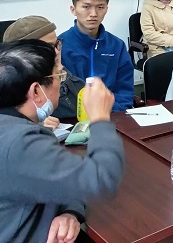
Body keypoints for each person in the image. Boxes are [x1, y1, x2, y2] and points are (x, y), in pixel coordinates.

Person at [0, 40, 124, 243]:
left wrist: (70, 211)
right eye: (58, 75)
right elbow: (102, 180)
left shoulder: (14, 127)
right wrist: (100, 118)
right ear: (36, 91)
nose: (61, 82)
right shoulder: (20, 144)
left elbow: (60, 180)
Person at [59, 0, 134, 111]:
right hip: (73, 116)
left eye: (100, 7)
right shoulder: (60, 46)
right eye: (86, 7)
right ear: (73, 10)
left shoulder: (116, 45)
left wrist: (108, 111)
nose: (93, 14)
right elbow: (57, 94)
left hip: (112, 113)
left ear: (106, 9)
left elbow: (125, 90)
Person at [4, 15, 85, 122]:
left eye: (57, 44)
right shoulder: (10, 94)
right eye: (47, 47)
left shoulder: (72, 80)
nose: (56, 51)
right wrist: (33, 122)